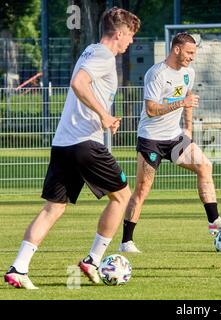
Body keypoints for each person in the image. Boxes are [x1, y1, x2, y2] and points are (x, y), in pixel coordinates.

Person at [4, 7, 140, 289]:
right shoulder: (103, 55)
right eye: (130, 36)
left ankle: (19, 267)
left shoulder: (90, 50)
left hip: (64, 143)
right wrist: (103, 115)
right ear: (119, 33)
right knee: (123, 196)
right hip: (84, 144)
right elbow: (78, 84)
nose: (131, 42)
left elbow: (83, 87)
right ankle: (93, 260)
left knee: (53, 208)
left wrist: (103, 117)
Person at [118, 32, 221, 253]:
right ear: (176, 49)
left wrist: (188, 131)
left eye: (194, 53)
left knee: (205, 165)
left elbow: (189, 101)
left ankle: (214, 221)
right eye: (189, 52)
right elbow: (151, 109)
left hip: (175, 137)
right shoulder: (156, 74)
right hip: (151, 140)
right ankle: (126, 241)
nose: (192, 57)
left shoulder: (188, 73)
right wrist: (181, 103)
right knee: (142, 190)